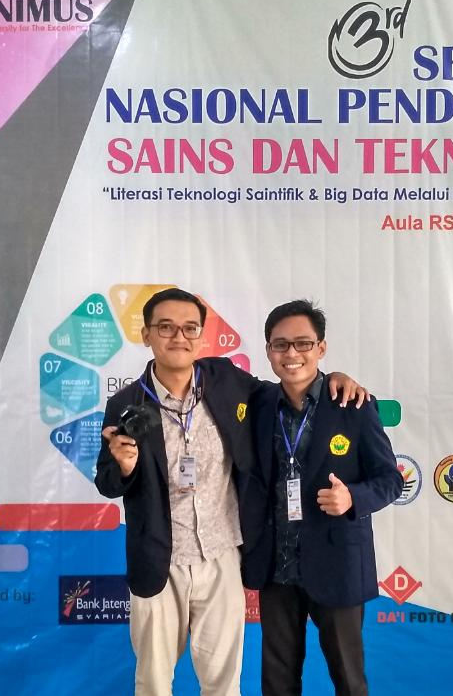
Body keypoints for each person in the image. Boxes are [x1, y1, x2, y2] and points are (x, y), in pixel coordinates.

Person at [94, 288, 366, 696]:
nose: (179, 337)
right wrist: (124, 467)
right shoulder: (126, 402)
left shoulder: (224, 380)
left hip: (222, 555)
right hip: (160, 559)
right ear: (146, 334)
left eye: (190, 328)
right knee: (152, 682)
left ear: (201, 336)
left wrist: (332, 380)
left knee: (223, 683)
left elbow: (286, 388)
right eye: (165, 327)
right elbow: (106, 481)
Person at [241, 299, 402, 696]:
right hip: (276, 567)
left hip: (337, 562)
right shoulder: (258, 404)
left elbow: (390, 479)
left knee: (349, 680)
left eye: (303, 343)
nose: (291, 354)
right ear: (268, 351)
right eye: (280, 345)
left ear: (321, 348)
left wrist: (353, 499)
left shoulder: (354, 405)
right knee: (277, 683)